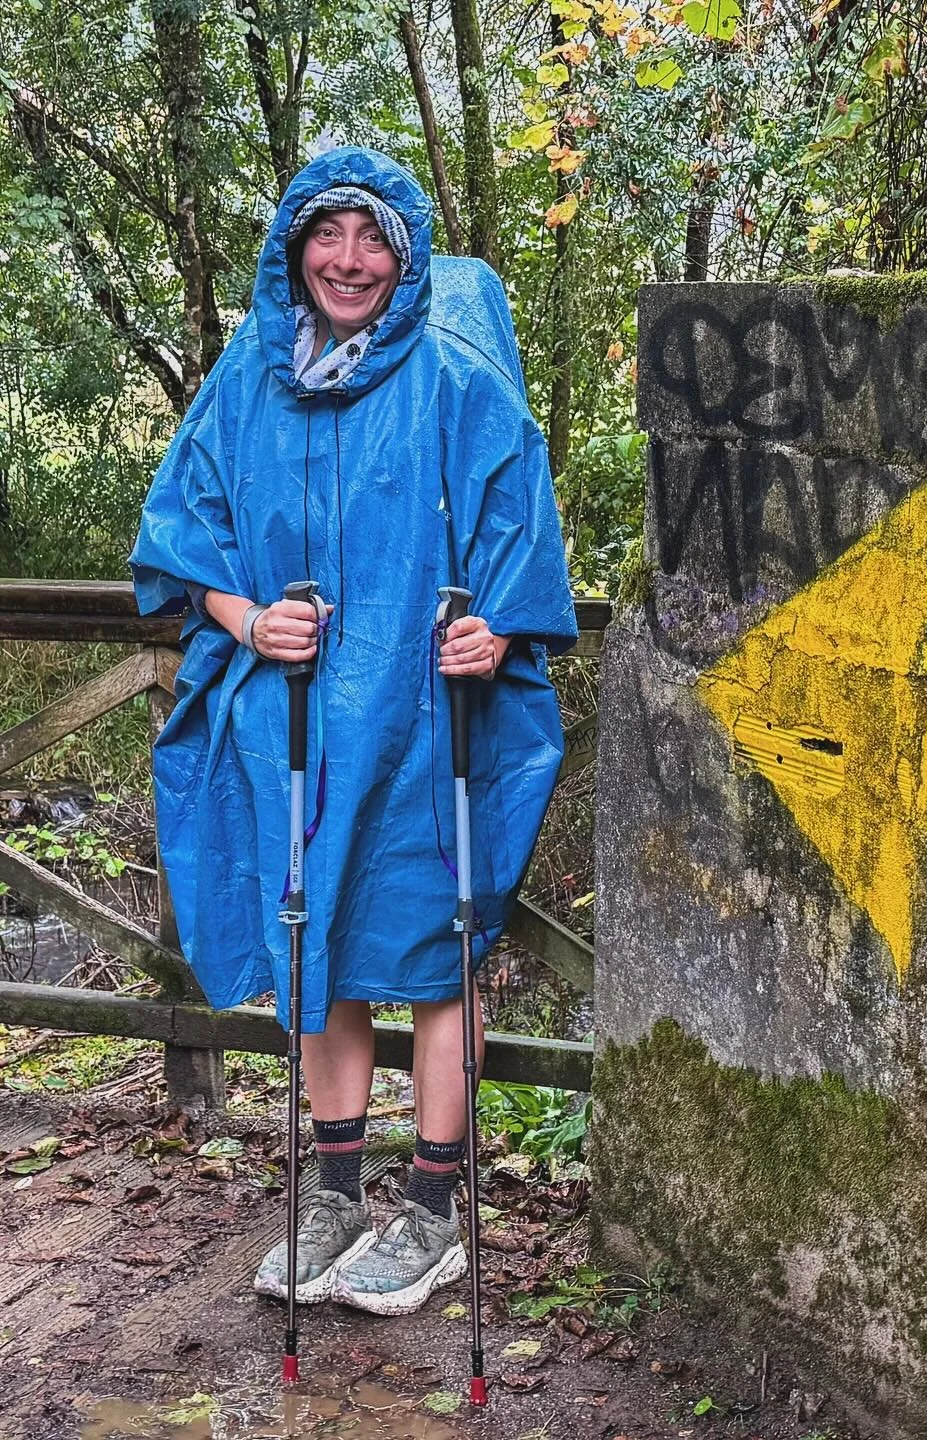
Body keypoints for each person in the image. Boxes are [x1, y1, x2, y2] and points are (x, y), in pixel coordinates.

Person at [130, 146, 577, 1314]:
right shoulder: (248, 377)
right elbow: (184, 526)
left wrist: (496, 635)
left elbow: (520, 540)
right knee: (310, 934)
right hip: (290, 721)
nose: (348, 260)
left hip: (427, 715)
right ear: (295, 249)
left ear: (406, 252)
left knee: (436, 945)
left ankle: (429, 1214)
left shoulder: (456, 376)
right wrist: (244, 617)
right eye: (328, 236)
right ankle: (335, 1185)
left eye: (371, 238)